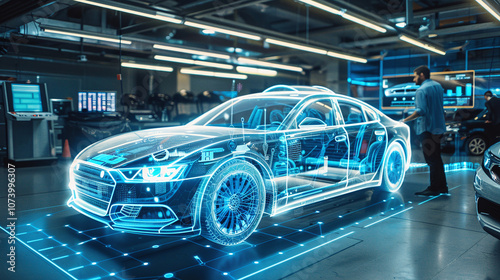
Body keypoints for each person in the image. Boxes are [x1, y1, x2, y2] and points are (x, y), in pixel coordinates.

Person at [403, 65, 448, 196]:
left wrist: (404, 120)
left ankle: (434, 188)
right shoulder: (438, 86)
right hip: (438, 127)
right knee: (437, 159)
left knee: (431, 160)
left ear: (422, 75)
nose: (413, 79)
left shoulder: (421, 90)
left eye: (415, 76)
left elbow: (420, 111)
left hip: (427, 129)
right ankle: (442, 187)